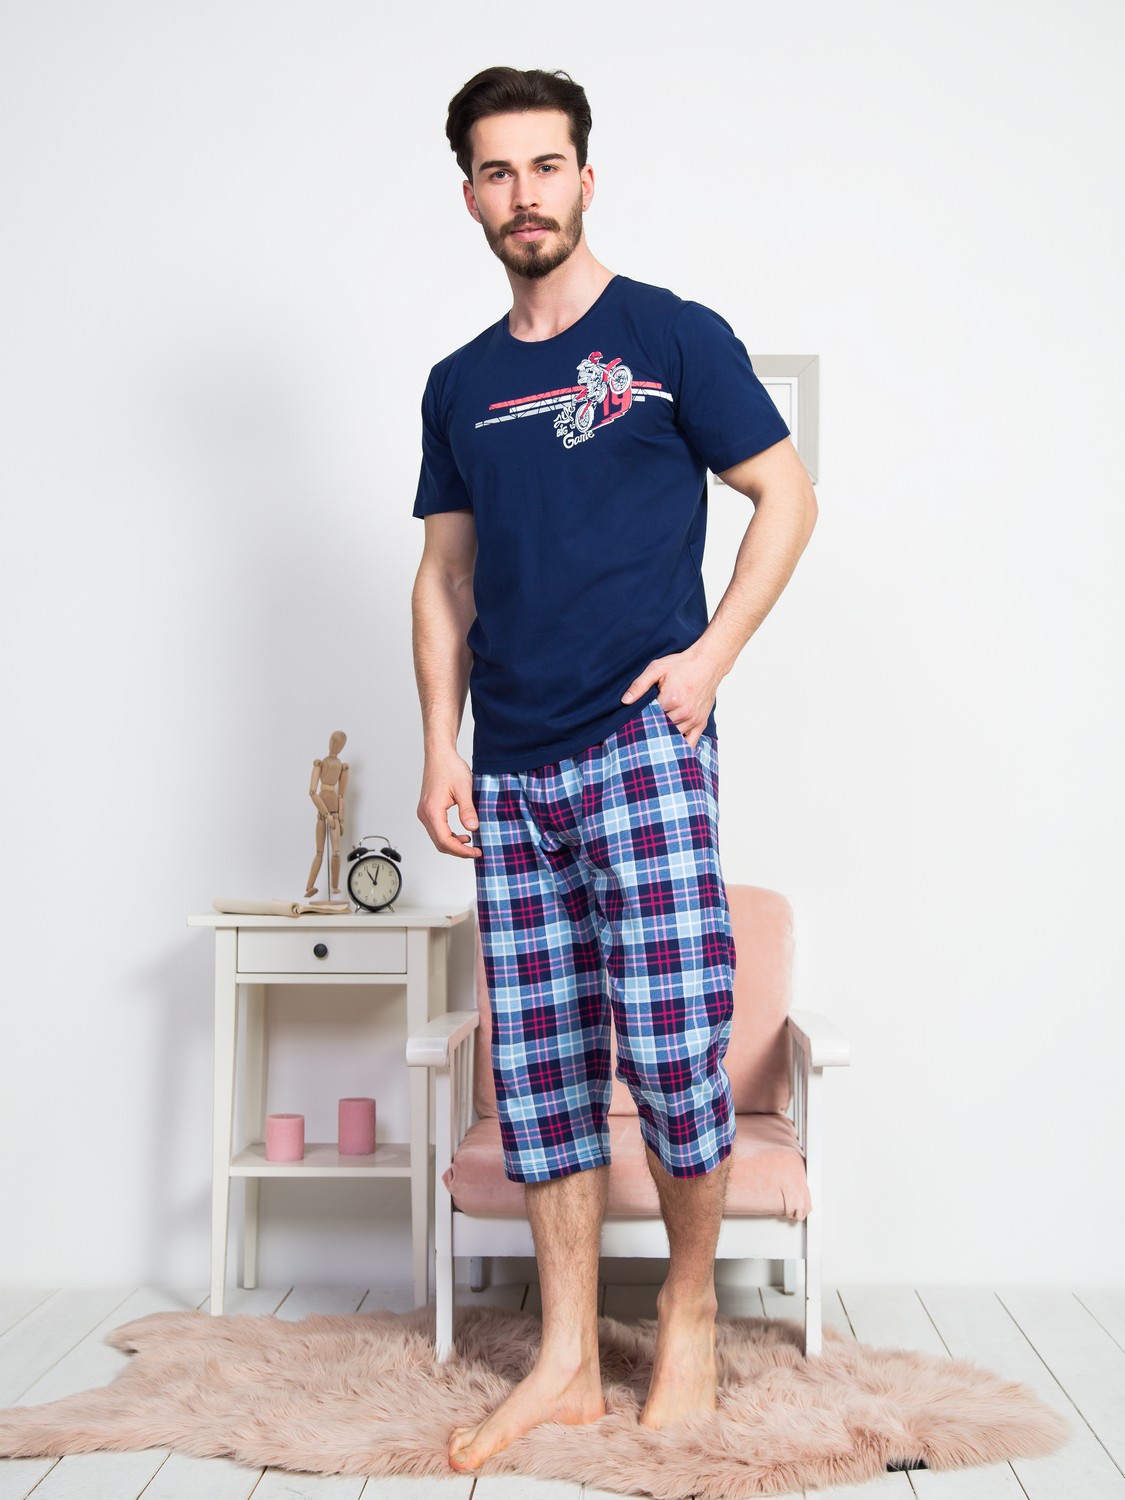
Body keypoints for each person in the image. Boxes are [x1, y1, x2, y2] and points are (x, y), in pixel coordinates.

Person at [410, 66, 817, 1473]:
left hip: (642, 746)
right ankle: (571, 1362)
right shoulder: (459, 384)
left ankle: (688, 1316)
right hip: (511, 775)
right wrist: (438, 748)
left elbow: (785, 495)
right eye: (496, 171)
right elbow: (444, 577)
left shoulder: (669, 336)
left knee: (672, 1051)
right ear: (469, 195)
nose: (523, 194)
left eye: (545, 166)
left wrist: (709, 661)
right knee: (538, 1073)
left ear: (586, 178)